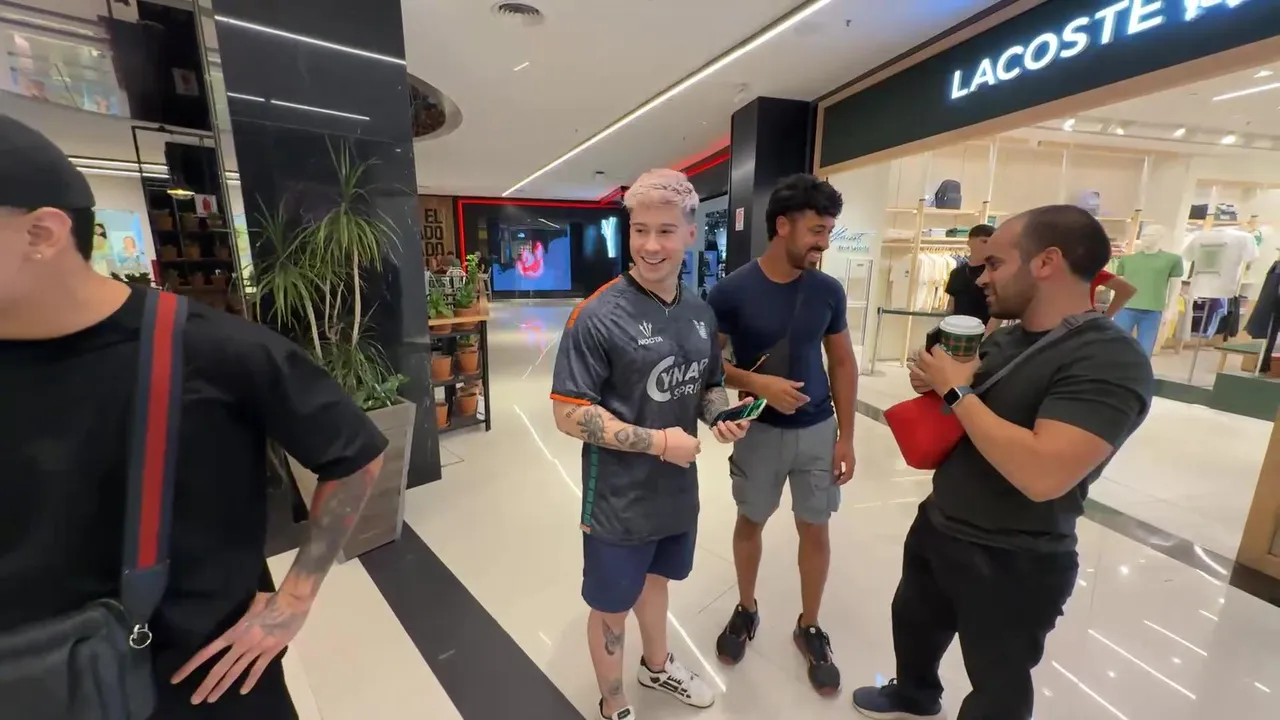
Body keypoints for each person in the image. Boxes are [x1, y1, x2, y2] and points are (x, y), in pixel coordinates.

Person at [0, 115, 389, 719]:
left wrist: (292, 600)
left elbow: (355, 454)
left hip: (197, 683)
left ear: (41, 233)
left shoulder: (215, 351)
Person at [851, 205, 1154, 720]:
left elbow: (1043, 474)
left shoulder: (1108, 358)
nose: (980, 277)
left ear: (1046, 262)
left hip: (1016, 555)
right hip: (941, 524)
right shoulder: (1006, 338)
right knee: (915, 625)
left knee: (997, 683)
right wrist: (939, 385)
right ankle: (914, 695)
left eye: (994, 264)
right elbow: (974, 413)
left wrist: (956, 390)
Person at [549, 169, 751, 720]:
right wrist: (659, 442)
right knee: (611, 605)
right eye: (640, 230)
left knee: (657, 582)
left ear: (691, 233)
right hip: (617, 500)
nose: (651, 245)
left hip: (675, 494)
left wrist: (720, 415)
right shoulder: (597, 315)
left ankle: (656, 667)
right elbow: (569, 415)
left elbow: (708, 385)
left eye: (665, 231)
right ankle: (613, 702)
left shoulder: (699, 312)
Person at [706, 174, 857, 696]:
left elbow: (842, 361)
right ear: (782, 226)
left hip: (818, 430)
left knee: (816, 526)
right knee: (751, 520)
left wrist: (847, 436)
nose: (824, 243)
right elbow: (708, 365)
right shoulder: (731, 291)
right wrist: (757, 383)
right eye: (817, 230)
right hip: (760, 431)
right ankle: (746, 608)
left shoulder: (827, 291)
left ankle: (809, 625)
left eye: (829, 231)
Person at [944, 224, 1002, 335]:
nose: (988, 246)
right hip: (957, 331)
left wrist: (987, 336)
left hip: (981, 333)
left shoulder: (993, 273)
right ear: (970, 242)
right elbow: (951, 306)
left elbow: (998, 312)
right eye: (984, 241)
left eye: (992, 242)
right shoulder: (957, 272)